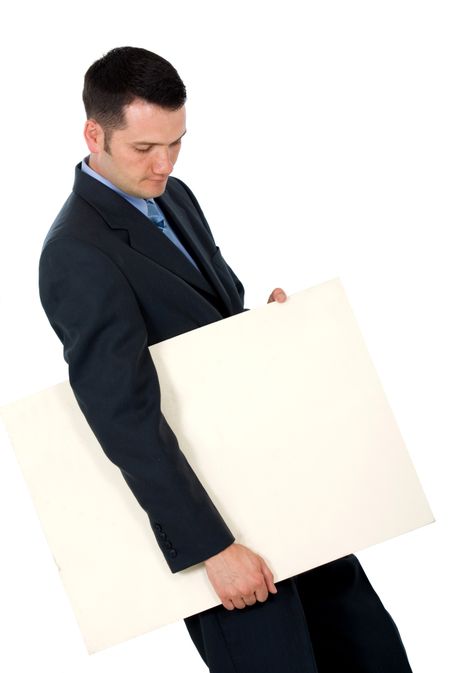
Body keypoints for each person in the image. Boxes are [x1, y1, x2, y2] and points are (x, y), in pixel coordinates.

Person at [38, 46, 414, 672]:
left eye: (177, 143)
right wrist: (213, 550)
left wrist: (263, 336)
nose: (165, 164)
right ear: (94, 134)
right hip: (219, 532)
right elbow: (124, 418)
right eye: (145, 149)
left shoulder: (174, 196)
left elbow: (203, 332)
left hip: (285, 497)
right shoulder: (76, 252)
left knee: (370, 653)